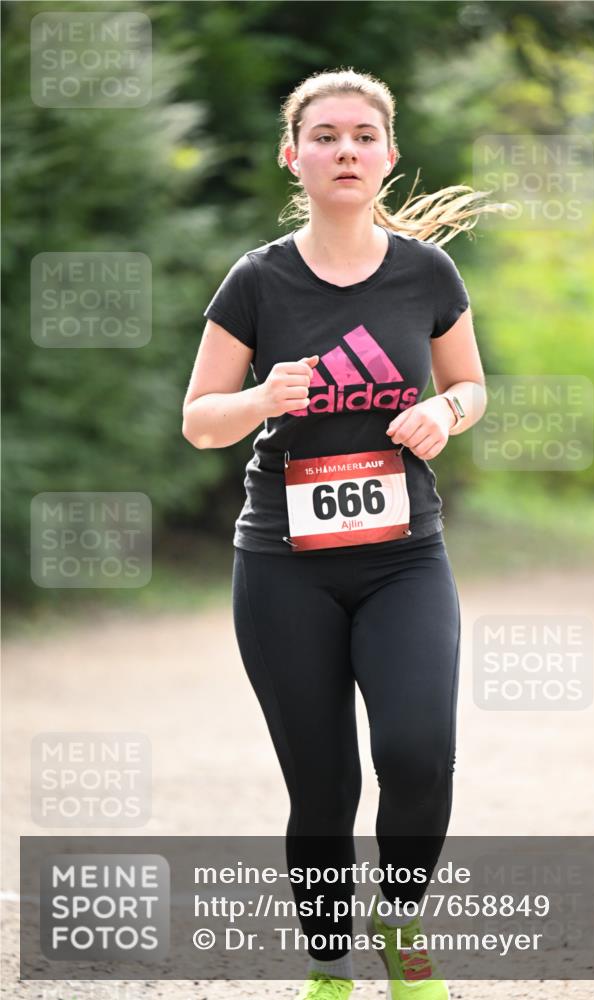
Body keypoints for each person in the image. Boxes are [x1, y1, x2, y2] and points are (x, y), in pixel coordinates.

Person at [183, 68, 506, 1000]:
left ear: (388, 155)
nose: (345, 151)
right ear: (295, 155)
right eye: (324, 136)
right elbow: (201, 418)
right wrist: (258, 398)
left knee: (414, 752)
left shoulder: (425, 272)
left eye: (363, 136)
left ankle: (400, 923)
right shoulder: (257, 278)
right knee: (321, 788)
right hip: (284, 564)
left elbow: (473, 384)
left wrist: (447, 411)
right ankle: (330, 970)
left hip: (404, 556)